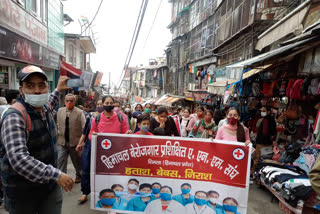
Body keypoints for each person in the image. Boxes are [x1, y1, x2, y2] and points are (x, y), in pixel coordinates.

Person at [0, 65, 74, 214]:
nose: (37, 91)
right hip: (22, 193)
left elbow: (51, 101)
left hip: (48, 187)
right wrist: (56, 174)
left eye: (41, 85)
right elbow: (18, 159)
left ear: (47, 87)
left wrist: (59, 89)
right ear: (21, 90)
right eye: (30, 86)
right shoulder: (15, 117)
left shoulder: (44, 108)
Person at [75, 99, 102, 204]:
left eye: (101, 104)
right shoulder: (90, 116)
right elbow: (85, 131)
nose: (99, 106)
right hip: (89, 147)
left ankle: (101, 193)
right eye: (98, 104)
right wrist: (79, 143)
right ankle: (85, 193)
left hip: (103, 150)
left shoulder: (109, 118)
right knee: (86, 169)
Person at [56, 93, 86, 184]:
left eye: (71, 101)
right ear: (64, 102)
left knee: (77, 162)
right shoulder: (60, 111)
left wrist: (81, 142)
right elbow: (56, 124)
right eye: (67, 101)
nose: (69, 102)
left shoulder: (79, 112)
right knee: (60, 161)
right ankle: (62, 178)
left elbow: (84, 127)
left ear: (75, 102)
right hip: (62, 142)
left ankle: (79, 176)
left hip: (75, 142)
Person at [253, 106, 276, 172]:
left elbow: (265, 132)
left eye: (264, 111)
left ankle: (254, 172)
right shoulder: (272, 119)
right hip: (269, 142)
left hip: (262, 142)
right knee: (266, 158)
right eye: (261, 111)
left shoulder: (265, 119)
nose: (262, 112)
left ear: (268, 112)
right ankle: (263, 171)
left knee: (257, 158)